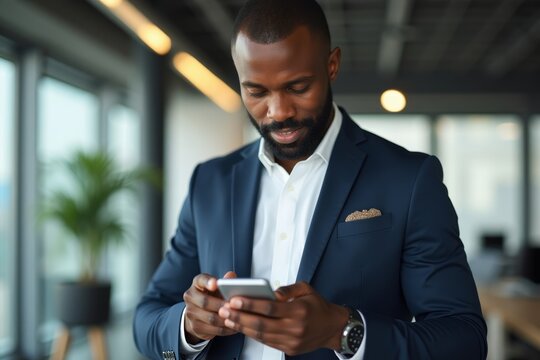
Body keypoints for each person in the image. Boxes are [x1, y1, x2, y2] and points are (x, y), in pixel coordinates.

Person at [133, 0, 487, 359]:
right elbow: (148, 316)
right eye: (256, 92)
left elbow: (464, 338)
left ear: (331, 66)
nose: (279, 112)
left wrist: (343, 330)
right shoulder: (209, 182)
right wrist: (189, 326)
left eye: (298, 87)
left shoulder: (409, 180)